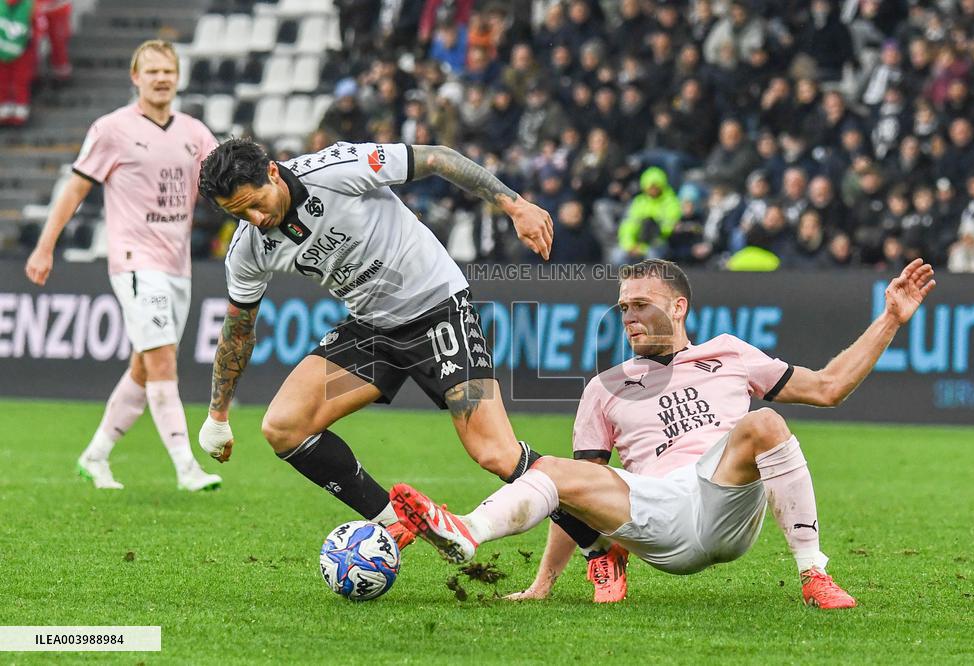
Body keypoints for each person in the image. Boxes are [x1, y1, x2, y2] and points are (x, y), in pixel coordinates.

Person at [391, 257, 936, 608]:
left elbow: (829, 387)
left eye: (641, 306)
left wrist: (890, 318)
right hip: (655, 516)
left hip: (724, 496)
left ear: (678, 307)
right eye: (623, 307)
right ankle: (465, 530)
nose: (628, 317)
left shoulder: (728, 353)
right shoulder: (604, 387)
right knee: (551, 468)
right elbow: (578, 492)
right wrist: (545, 582)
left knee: (763, 422)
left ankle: (814, 574)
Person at [195, 137, 608, 560]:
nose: (255, 218)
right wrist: (218, 414)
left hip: (440, 313)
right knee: (283, 426)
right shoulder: (247, 248)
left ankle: (598, 546)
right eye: (238, 213)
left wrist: (514, 204)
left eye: (255, 203)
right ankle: (394, 521)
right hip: (373, 334)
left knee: (496, 454)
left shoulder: (336, 170)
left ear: (272, 172)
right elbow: (239, 329)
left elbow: (437, 159)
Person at [24, 40, 221, 492]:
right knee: (163, 359)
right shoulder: (112, 129)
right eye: (151, 71)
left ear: (178, 76)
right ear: (135, 77)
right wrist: (44, 246)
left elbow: (225, 181)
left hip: (178, 266)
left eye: (168, 70)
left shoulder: (194, 132)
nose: (161, 78)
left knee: (144, 365)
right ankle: (186, 467)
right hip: (135, 262)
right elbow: (74, 190)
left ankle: (95, 456)